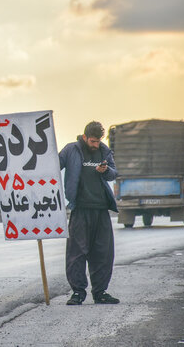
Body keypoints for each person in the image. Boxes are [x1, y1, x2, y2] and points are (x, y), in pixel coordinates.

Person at [58, 121, 120, 305]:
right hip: (80, 209)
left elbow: (114, 174)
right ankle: (78, 293)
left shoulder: (104, 150)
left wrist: (105, 170)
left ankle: (100, 292)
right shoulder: (71, 150)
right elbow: (53, 167)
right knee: (77, 253)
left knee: (103, 253)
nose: (95, 145)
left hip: (101, 210)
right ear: (84, 137)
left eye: (98, 141)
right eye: (92, 141)